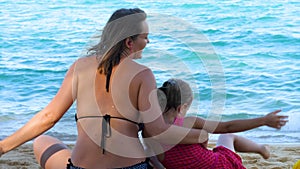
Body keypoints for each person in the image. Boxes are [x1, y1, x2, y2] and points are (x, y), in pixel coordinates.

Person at [0, 8, 208, 169]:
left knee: (43, 141)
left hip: (82, 167)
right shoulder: (143, 74)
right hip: (132, 167)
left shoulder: (79, 67)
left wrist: (3, 147)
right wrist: (201, 135)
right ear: (129, 42)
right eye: (145, 37)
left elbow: (49, 117)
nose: (148, 41)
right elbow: (157, 131)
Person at [154, 78, 288, 169]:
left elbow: (158, 160)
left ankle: (261, 148)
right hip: (218, 165)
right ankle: (261, 149)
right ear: (181, 108)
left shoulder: (151, 130)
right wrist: (263, 120)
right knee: (227, 136)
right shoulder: (190, 122)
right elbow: (227, 126)